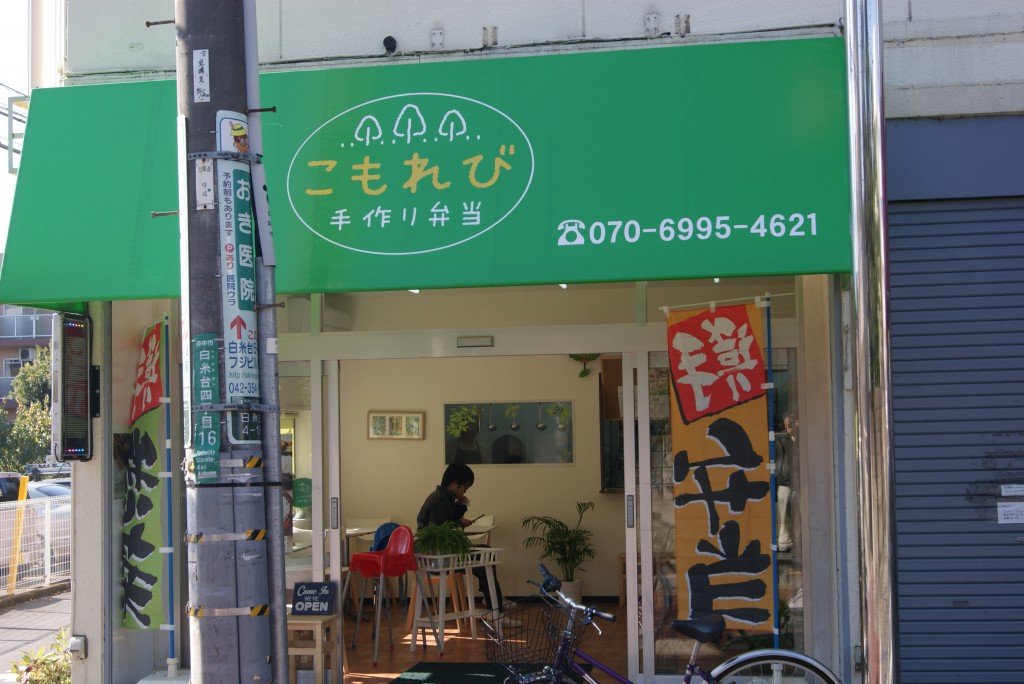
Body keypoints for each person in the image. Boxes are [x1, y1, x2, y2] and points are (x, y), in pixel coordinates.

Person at [417, 463, 508, 615]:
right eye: (465, 486)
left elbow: (448, 521)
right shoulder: (440, 501)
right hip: (439, 559)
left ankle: (493, 602)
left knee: (485, 553)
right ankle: (495, 609)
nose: (465, 491)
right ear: (455, 483)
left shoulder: (442, 498)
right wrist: (459, 522)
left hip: (437, 556)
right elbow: (441, 533)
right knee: (486, 553)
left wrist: (461, 507)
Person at [775, 414, 797, 553]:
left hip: (798, 482)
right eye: (788, 421)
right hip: (785, 481)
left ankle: (793, 542)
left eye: (793, 422)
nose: (790, 425)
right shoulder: (780, 439)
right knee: (783, 515)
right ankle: (784, 543)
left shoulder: (802, 438)